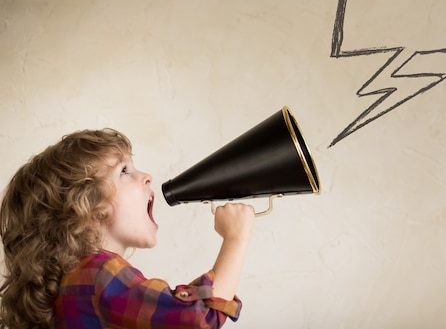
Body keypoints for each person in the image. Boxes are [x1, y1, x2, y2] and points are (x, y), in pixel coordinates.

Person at [0, 128, 255, 329]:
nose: (147, 176)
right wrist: (236, 238)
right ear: (85, 205)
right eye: (124, 170)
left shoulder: (78, 280)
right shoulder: (99, 274)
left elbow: (169, 312)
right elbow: (197, 318)